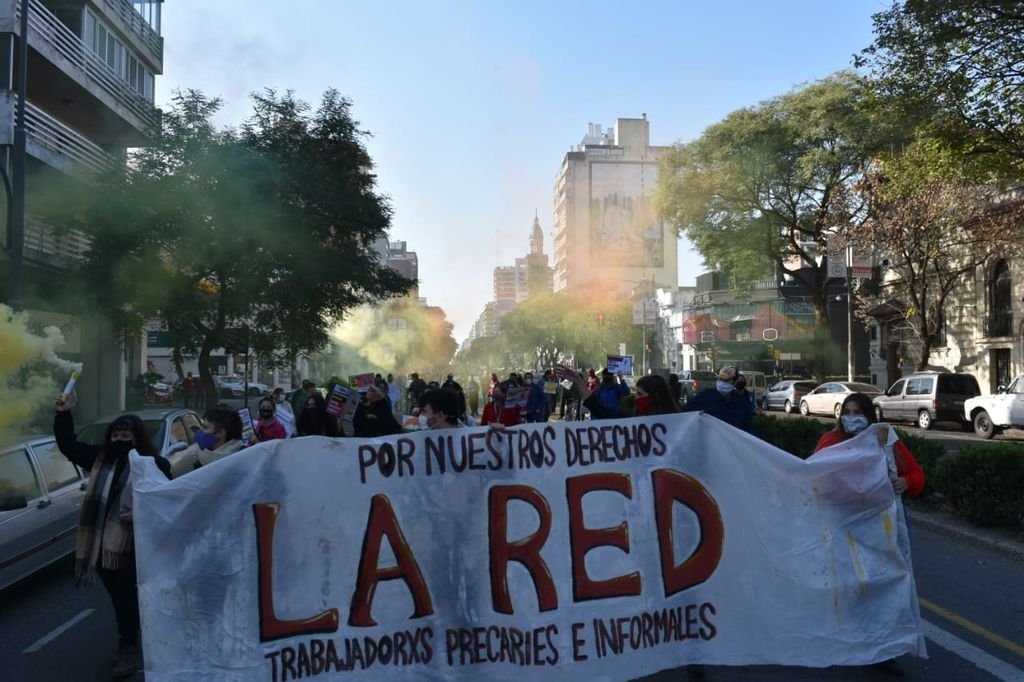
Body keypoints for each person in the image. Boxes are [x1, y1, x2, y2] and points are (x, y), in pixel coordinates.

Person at [53, 398, 171, 678]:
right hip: (102, 545)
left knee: (129, 598)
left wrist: (140, 512)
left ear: (137, 437)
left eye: (125, 435)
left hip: (135, 545)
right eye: (115, 435)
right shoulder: (99, 459)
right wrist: (63, 414)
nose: (119, 439)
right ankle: (131, 641)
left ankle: (131, 647)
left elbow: (167, 500)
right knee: (121, 599)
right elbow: (68, 445)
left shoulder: (153, 464)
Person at [812, 392, 924, 678]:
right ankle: (853, 638)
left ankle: (882, 649)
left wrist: (905, 481)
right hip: (845, 529)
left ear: (870, 416)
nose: (853, 418)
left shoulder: (885, 440)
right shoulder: (831, 442)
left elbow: (916, 474)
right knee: (853, 588)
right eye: (848, 412)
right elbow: (812, 478)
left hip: (883, 530)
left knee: (884, 586)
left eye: (858, 412)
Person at [559, 368, 678, 419]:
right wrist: (579, 383)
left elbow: (625, 392)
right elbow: (600, 410)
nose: (636, 398)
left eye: (640, 394)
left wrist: (621, 380)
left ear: (655, 396)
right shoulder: (631, 416)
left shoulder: (678, 422)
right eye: (636, 394)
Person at [681, 365, 755, 432]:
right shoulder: (705, 396)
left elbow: (747, 426)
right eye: (720, 379)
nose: (722, 382)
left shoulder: (740, 401)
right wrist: (696, 415)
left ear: (734, 382)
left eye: (726, 380)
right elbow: (686, 412)